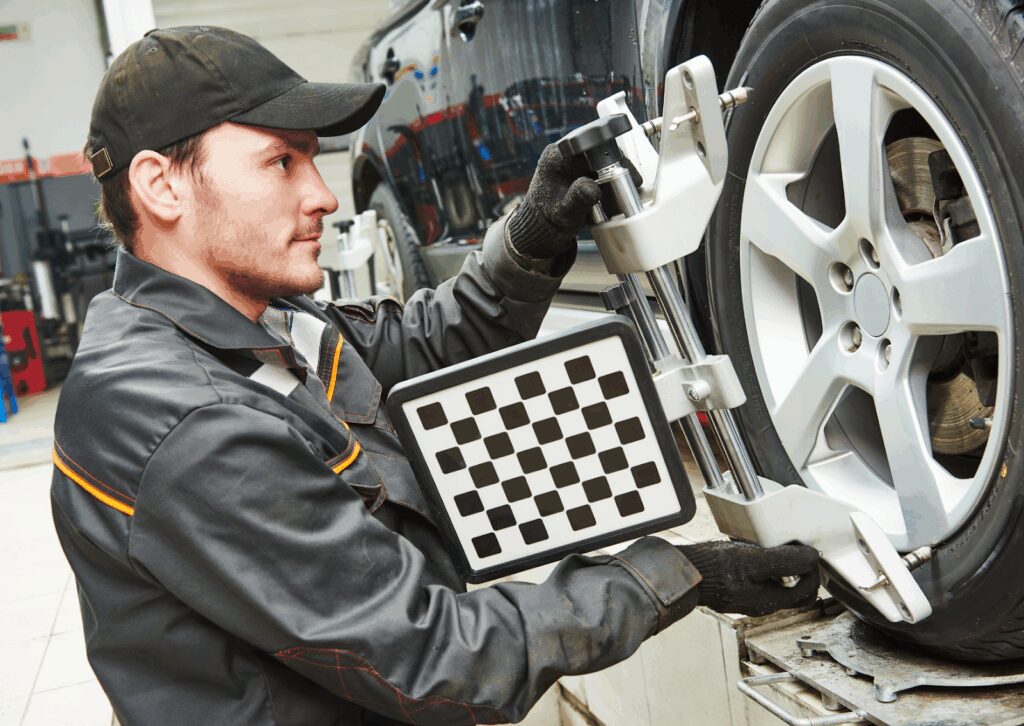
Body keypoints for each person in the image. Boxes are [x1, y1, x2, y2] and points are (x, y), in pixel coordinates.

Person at [51, 26, 819, 725]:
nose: (320, 194)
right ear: (161, 186)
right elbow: (438, 661)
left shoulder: (253, 322)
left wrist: (531, 233)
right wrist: (665, 573)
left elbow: (413, 347)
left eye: (312, 160)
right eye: (279, 162)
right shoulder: (184, 421)